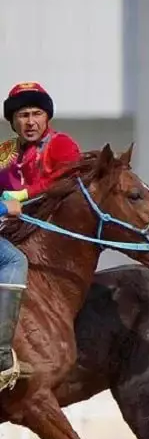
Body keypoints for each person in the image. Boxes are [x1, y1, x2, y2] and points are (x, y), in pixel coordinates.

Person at [0, 82, 83, 386]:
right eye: (23, 115)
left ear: (47, 117)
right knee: (13, 262)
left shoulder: (61, 145)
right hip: (12, 229)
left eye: (36, 113)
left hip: (47, 235)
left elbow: (66, 182)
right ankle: (2, 357)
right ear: (13, 121)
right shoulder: (4, 154)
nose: (30, 121)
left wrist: (20, 196)